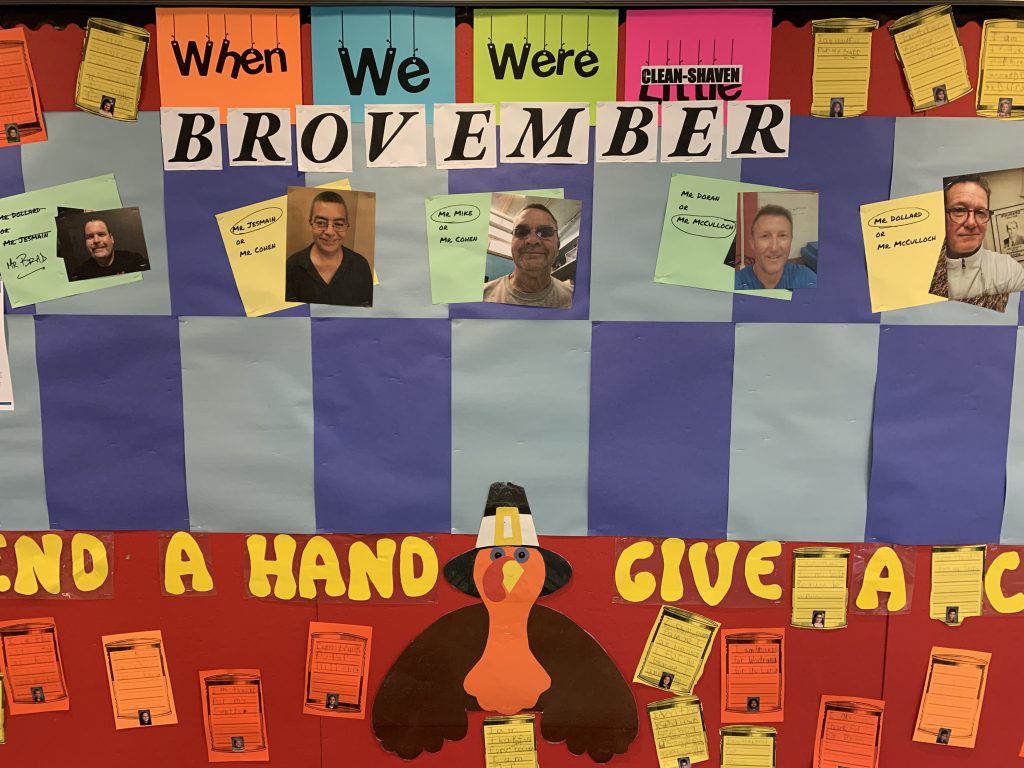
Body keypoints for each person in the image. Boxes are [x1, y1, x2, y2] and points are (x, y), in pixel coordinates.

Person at [929, 175, 1024, 304]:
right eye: (959, 210)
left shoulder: (1009, 270)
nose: (972, 223)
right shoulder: (919, 270)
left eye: (980, 212)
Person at [285, 191, 373, 306]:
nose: (330, 232)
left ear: (346, 227)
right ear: (310, 224)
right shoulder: (292, 266)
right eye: (321, 223)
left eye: (339, 224)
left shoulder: (361, 265)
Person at [483, 203, 573, 308]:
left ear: (557, 245)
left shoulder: (573, 299)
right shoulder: (482, 296)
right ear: (512, 243)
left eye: (545, 232)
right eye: (521, 232)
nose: (532, 240)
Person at [735, 205, 817, 290]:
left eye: (782, 236)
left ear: (791, 240)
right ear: (752, 243)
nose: (774, 248)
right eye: (765, 236)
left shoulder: (807, 280)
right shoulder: (735, 285)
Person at [75, 217, 149, 279]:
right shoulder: (81, 274)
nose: (96, 240)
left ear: (111, 238)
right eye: (90, 237)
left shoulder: (135, 261)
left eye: (101, 234)